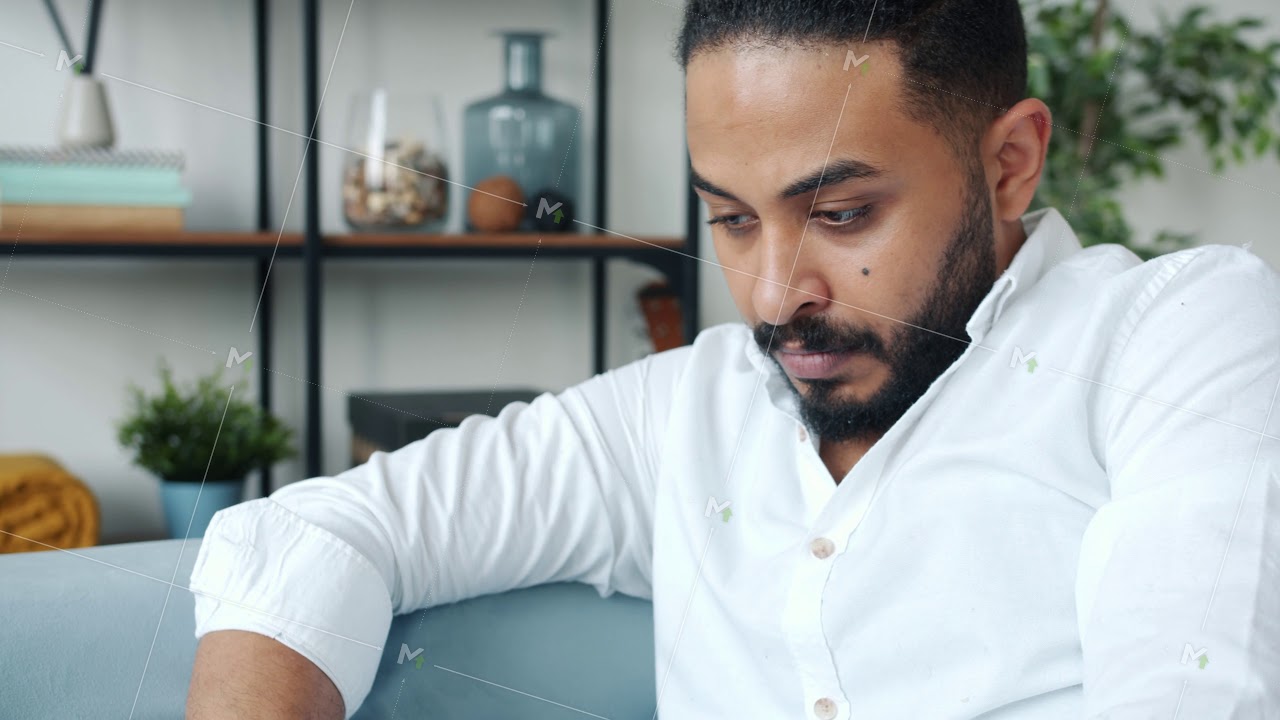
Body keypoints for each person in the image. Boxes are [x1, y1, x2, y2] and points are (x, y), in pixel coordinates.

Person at [185, 1, 1280, 718]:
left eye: (842, 214)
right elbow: (320, 530)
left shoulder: (1173, 338)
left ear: (1008, 163)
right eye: (730, 219)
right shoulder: (690, 412)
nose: (771, 297)